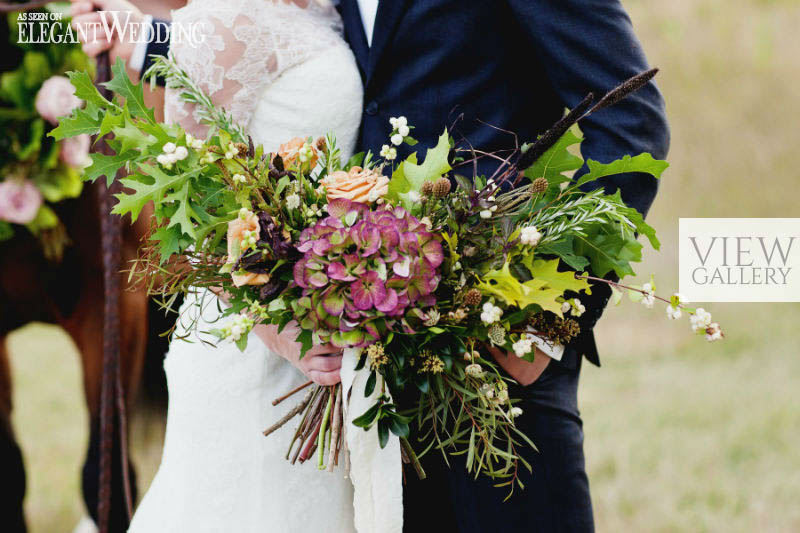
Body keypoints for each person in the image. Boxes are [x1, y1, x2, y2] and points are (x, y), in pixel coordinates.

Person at [73, 0, 669, 531]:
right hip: (355, 375)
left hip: (496, 364)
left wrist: (540, 324)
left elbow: (630, 121)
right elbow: (239, 45)